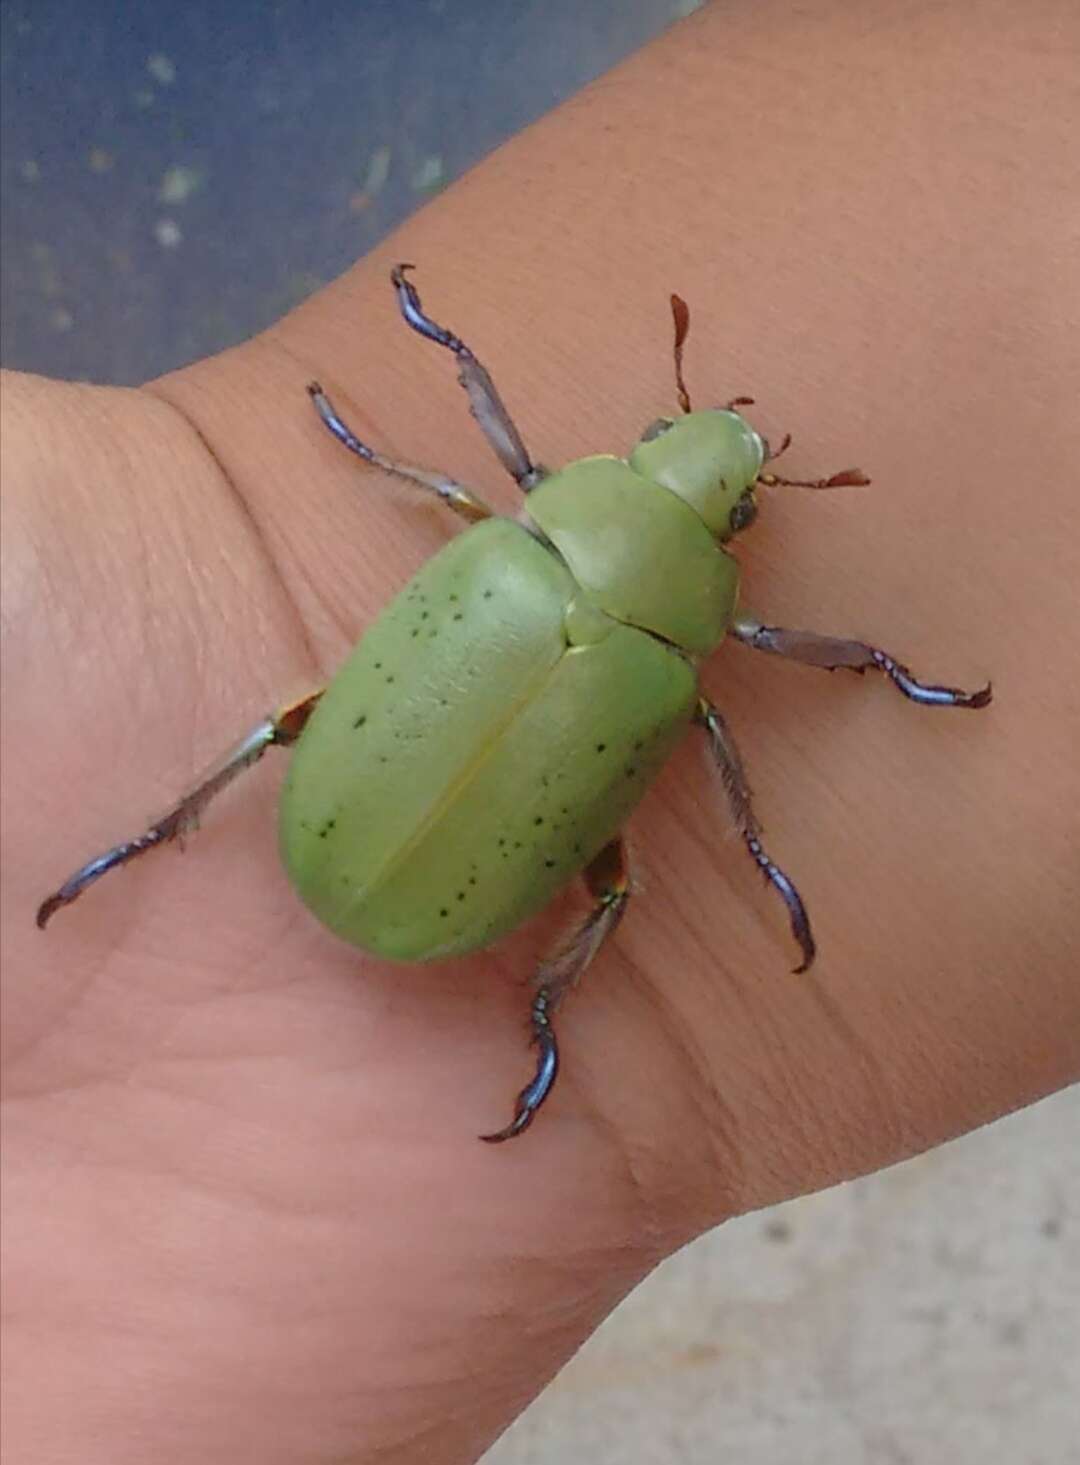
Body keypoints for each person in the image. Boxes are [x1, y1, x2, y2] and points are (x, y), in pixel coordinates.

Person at [3, 2, 1076, 1460]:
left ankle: (165, 830)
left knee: (297, 727)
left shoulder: (514, 545)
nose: (712, 462)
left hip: (395, 805)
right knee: (621, 877)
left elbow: (469, 426)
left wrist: (282, 476)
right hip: (442, 871)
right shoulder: (684, 675)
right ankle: (511, 980)